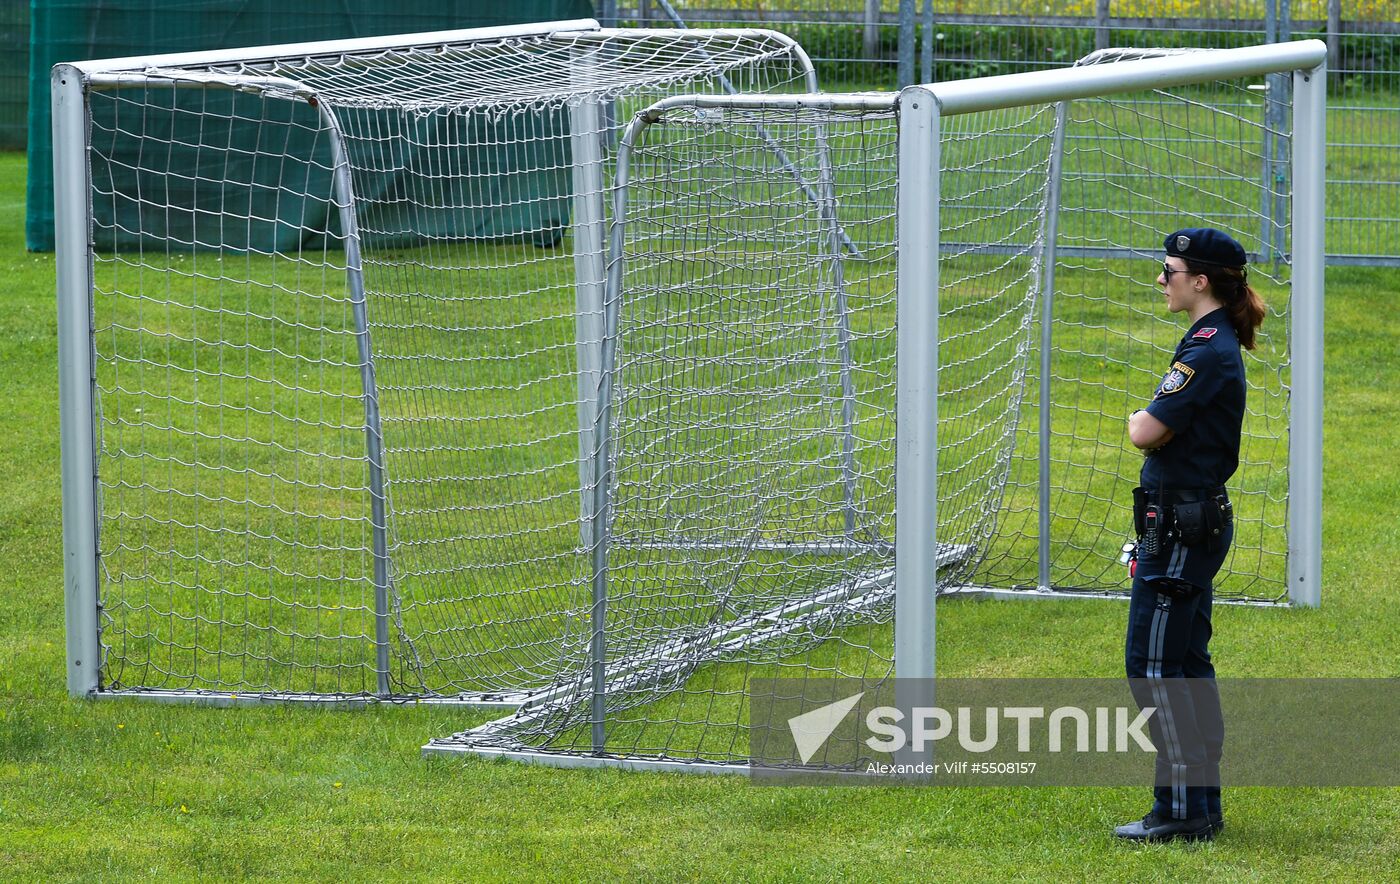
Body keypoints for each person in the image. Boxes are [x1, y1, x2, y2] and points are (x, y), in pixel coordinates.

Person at [1113, 228, 1267, 844]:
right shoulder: (1208, 341)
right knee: (1185, 663)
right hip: (1183, 522)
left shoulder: (1207, 350)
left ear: (1199, 280)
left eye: (1169, 268)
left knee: (1153, 666)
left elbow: (1144, 431)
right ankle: (1197, 802)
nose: (1161, 278)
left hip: (1181, 528)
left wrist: (1144, 423)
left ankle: (1181, 809)